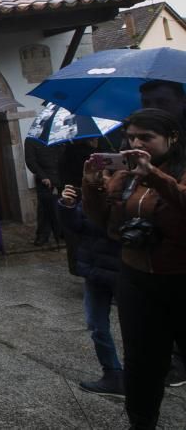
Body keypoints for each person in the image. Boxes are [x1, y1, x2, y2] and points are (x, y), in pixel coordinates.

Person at [82, 108, 186, 429]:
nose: (136, 144)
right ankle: (141, 422)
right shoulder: (124, 174)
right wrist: (91, 187)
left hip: (182, 278)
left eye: (146, 138)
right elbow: (106, 225)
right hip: (136, 279)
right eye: (130, 137)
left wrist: (153, 175)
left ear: (172, 138)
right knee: (142, 363)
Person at [137, 80, 186, 390]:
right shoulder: (144, 143)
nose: (152, 106)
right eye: (146, 101)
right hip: (153, 261)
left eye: (160, 100)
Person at [56, 183, 124, 398]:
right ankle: (112, 373)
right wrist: (68, 206)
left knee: (136, 328)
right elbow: (77, 225)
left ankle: (141, 375)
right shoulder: (92, 195)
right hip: (94, 270)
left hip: (123, 270)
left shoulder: (132, 192)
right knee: (96, 325)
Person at [25, 137, 62, 246]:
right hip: (45, 179)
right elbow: (31, 161)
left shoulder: (58, 137)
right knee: (44, 209)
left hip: (59, 177)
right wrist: (43, 177)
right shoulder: (31, 140)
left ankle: (60, 232)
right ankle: (43, 235)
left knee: (60, 207)